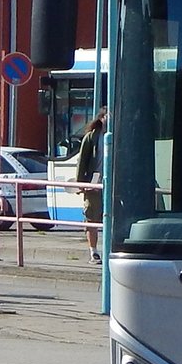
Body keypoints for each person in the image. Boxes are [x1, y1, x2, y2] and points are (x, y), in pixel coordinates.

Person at [76, 108, 107, 264]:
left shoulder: (118, 136)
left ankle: (109, 249)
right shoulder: (92, 137)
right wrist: (80, 183)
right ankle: (93, 252)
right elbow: (82, 161)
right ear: (101, 118)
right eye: (107, 116)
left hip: (111, 185)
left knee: (112, 218)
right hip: (94, 183)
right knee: (92, 217)